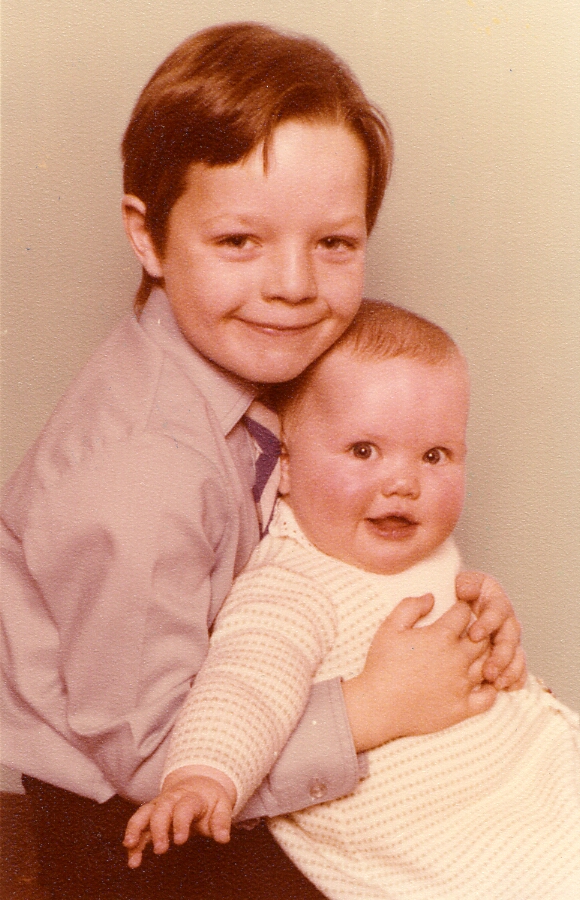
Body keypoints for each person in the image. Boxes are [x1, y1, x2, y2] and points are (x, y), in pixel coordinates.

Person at [1, 23, 524, 900]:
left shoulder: (269, 365)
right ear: (147, 235)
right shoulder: (140, 477)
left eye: (334, 243)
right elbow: (151, 758)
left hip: (253, 708)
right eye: (240, 241)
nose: (293, 285)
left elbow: (319, 554)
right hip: (136, 818)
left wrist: (454, 614)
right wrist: (374, 707)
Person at [124, 301, 580, 900]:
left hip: (535, 775)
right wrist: (203, 778)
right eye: (363, 450)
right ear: (285, 465)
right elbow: (245, 686)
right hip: (438, 838)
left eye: (434, 456)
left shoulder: (419, 547)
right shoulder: (292, 584)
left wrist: (487, 618)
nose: (404, 483)